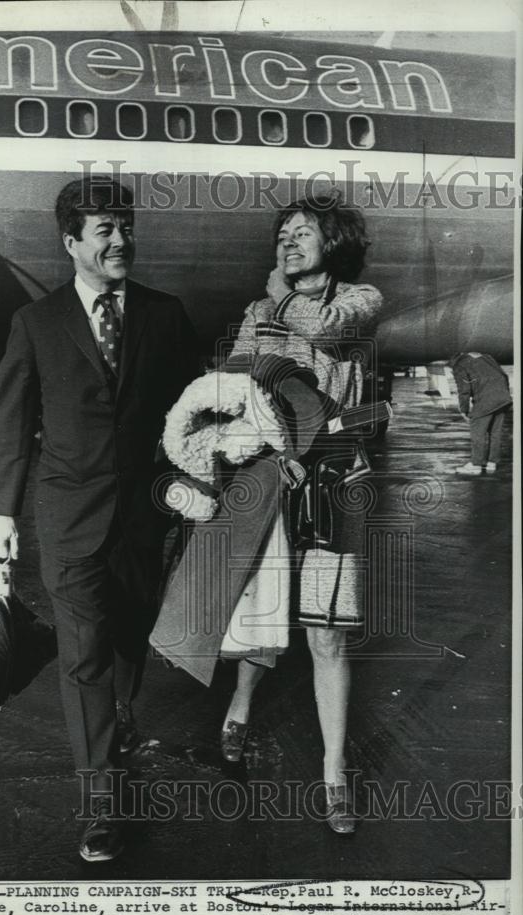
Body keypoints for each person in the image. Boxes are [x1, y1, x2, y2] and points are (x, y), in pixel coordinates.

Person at [0, 177, 198, 862]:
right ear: (70, 242)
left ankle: (119, 715)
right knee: (83, 656)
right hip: (70, 515)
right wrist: (0, 513)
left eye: (126, 226)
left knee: (130, 636)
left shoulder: (165, 315)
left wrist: (196, 481)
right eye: (104, 230)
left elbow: (192, 412)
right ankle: (102, 803)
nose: (120, 240)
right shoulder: (36, 323)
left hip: (144, 516)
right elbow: (13, 424)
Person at [218, 194, 382, 832]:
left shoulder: (360, 299)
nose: (287, 241)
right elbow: (236, 381)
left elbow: (330, 329)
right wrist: (260, 443)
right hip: (271, 476)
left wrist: (280, 299)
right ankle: (240, 705)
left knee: (327, 633)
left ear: (333, 242)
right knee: (262, 614)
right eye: (282, 233)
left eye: (302, 232)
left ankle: (334, 771)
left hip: (336, 485)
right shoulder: (257, 312)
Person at [450, 352, 512, 476]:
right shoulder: (487, 357)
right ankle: (492, 463)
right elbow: (504, 375)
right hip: (503, 398)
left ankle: (476, 465)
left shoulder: (459, 365)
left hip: (487, 400)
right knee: (495, 433)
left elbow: (464, 390)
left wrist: (464, 410)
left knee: (477, 432)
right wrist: (504, 394)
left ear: (452, 362)